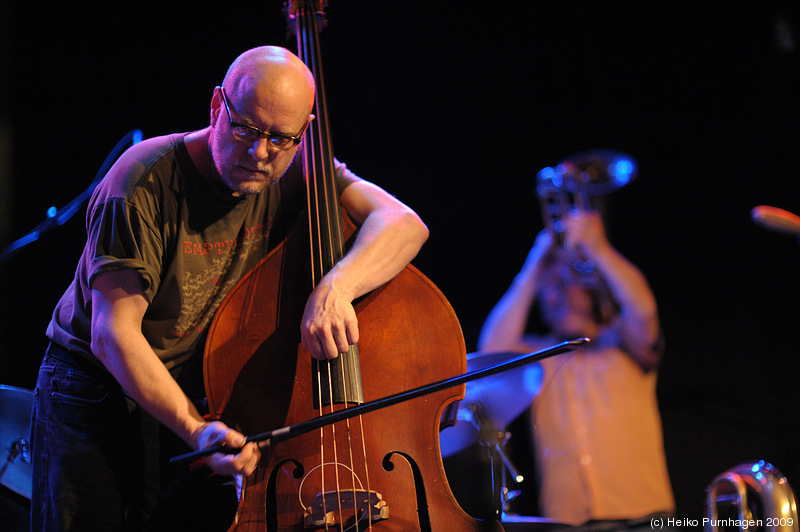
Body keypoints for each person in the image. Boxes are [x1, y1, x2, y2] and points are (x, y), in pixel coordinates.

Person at [29, 45, 429, 531]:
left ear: (304, 133)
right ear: (217, 106)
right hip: (96, 393)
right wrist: (195, 430)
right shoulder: (140, 181)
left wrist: (336, 287)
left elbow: (403, 223)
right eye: (246, 129)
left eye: (281, 138)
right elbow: (114, 335)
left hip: (189, 395)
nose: (260, 153)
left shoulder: (298, 165)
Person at [477, 208, 674, 530]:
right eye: (550, 287)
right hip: (567, 521)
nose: (559, 295)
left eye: (569, 283)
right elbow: (492, 352)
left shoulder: (622, 342)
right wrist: (533, 268)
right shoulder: (537, 354)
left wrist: (598, 248)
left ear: (592, 289)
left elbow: (644, 309)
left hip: (645, 518)